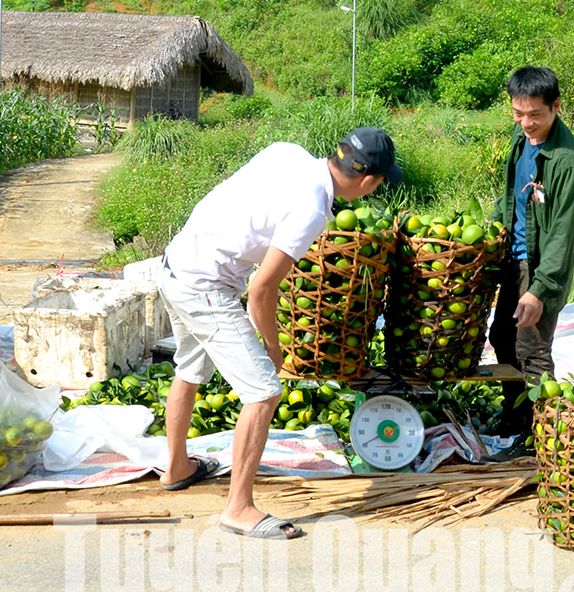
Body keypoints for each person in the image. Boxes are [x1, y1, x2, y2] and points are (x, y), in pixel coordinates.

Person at [157, 127, 403, 539]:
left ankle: (177, 467)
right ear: (367, 182)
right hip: (206, 288)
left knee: (189, 368)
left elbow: (222, 190)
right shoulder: (311, 209)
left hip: (177, 263)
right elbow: (261, 290)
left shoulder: (287, 151)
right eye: (379, 183)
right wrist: (273, 347)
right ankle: (238, 508)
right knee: (264, 392)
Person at [489, 66, 574, 437]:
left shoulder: (566, 160)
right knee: (502, 337)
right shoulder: (521, 136)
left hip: (539, 266)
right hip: (513, 257)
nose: (526, 123)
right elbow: (511, 194)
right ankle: (517, 416)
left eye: (535, 115)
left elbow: (563, 231)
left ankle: (545, 433)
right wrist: (492, 226)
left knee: (532, 349)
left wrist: (540, 289)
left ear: (556, 106)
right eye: (518, 113)